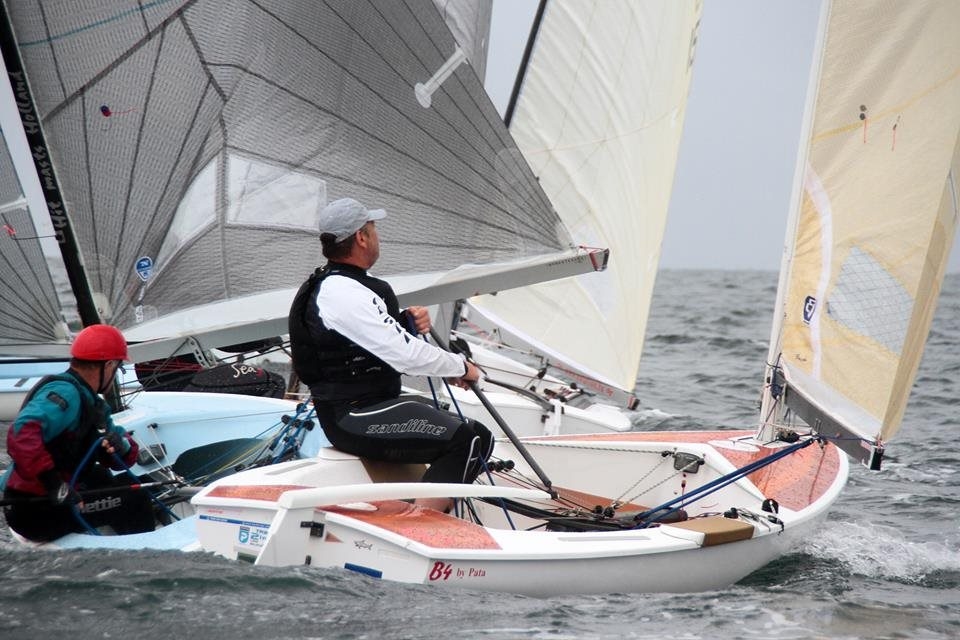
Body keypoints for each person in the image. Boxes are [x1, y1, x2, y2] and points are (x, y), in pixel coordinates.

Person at [289, 197, 494, 511]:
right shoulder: (339, 290)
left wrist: (406, 322)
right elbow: (405, 356)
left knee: (480, 436)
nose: (377, 237)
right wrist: (461, 367)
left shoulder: (348, 287)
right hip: (350, 416)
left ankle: (421, 513)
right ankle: (421, 526)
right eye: (374, 229)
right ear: (362, 237)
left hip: (372, 407)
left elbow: (368, 341)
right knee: (467, 440)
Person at [1, 324, 156, 542]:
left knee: (116, 478)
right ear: (109, 365)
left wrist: (121, 444)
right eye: (118, 368)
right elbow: (21, 433)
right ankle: (146, 553)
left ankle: (117, 539)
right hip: (34, 511)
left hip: (45, 500)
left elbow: (124, 455)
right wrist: (55, 486)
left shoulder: (91, 401)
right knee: (137, 499)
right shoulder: (66, 393)